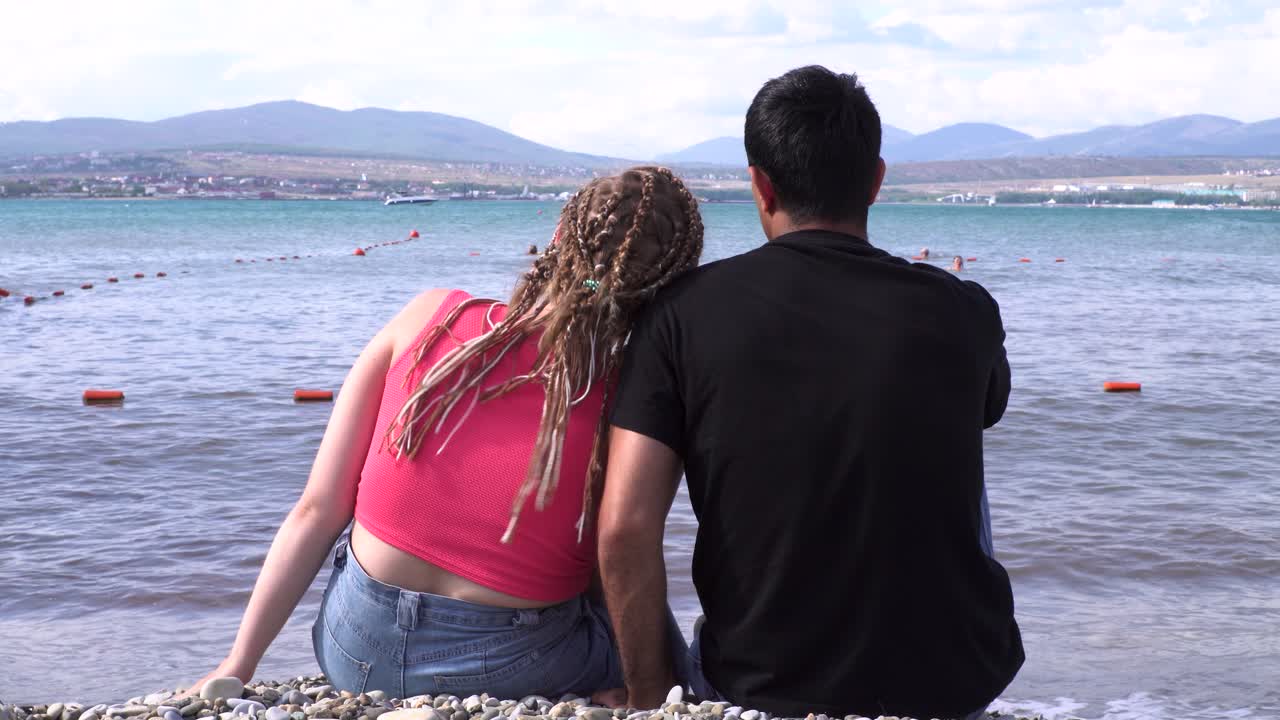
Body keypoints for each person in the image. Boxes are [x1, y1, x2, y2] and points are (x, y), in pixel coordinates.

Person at [597, 66, 1023, 720]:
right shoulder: (964, 308)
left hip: (761, 687)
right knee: (946, 402)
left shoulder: (681, 316)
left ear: (760, 185)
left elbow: (625, 527)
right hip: (952, 682)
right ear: (876, 181)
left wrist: (651, 699)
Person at [186, 166, 704, 698]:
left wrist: (241, 659)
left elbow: (317, 509)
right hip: (512, 664)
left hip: (353, 644)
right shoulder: (624, 392)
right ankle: (646, 697)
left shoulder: (428, 315)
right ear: (666, 284)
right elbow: (616, 554)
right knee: (648, 617)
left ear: (557, 237)